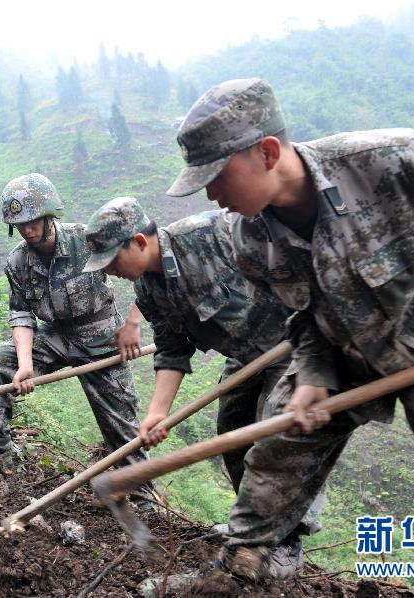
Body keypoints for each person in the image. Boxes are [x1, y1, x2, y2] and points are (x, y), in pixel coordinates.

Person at [167, 78, 414, 594]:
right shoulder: (250, 240)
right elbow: (305, 314)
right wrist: (312, 372)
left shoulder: (385, 161)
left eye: (217, 176)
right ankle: (244, 571)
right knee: (273, 455)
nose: (213, 194)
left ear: (266, 152)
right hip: (343, 352)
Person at [83, 196, 323, 564]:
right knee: (232, 430)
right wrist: (156, 413)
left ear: (140, 242)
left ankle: (286, 541)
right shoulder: (147, 289)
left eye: (113, 259)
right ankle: (253, 523)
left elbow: (292, 258)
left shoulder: (212, 234)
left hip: (291, 345)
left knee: (278, 437)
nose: (111, 271)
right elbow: (172, 348)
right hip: (244, 356)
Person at [0, 173, 153, 503]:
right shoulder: (18, 261)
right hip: (55, 335)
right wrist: (26, 365)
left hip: (102, 336)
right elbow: (21, 315)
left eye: (33, 220)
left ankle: (143, 497)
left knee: (122, 423)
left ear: (48, 215)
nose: (28, 229)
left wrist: (132, 321)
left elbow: (142, 267)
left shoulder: (85, 240)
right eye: (20, 224)